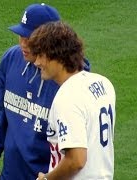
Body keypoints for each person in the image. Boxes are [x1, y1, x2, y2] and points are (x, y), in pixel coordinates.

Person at [0, 4, 90, 180]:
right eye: (20, 36)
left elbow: (76, 152)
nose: (23, 44)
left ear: (51, 42)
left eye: (29, 38)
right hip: (11, 175)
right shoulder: (11, 59)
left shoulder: (72, 80)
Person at [28, 21, 116, 180]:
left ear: (58, 56)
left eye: (41, 55)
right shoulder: (103, 83)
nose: (37, 62)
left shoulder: (67, 97)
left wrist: (47, 179)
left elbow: (76, 160)